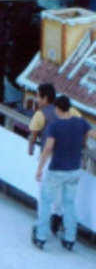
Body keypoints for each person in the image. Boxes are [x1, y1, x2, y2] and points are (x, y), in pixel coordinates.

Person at [33, 95, 96, 251]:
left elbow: (48, 149)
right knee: (69, 203)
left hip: (57, 169)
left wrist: (40, 169)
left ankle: (41, 236)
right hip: (75, 169)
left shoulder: (54, 126)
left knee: (46, 200)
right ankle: (70, 238)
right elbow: (94, 134)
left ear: (57, 109)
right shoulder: (81, 123)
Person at [27, 83, 65, 237]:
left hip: (48, 157)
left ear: (45, 98)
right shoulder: (66, 111)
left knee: (43, 191)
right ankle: (57, 217)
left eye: (38, 96)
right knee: (58, 191)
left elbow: (34, 134)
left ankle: (42, 225)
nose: (37, 99)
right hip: (64, 158)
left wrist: (30, 147)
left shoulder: (40, 114)